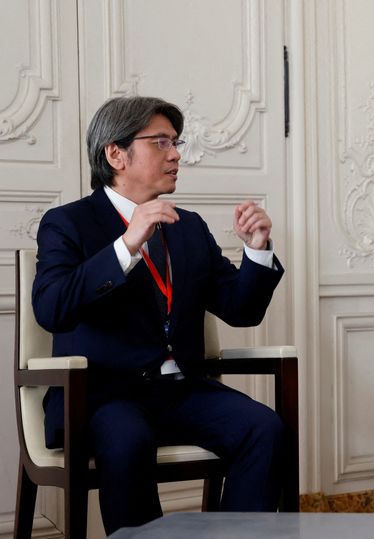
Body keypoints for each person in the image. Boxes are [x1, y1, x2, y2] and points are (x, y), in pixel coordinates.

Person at [32, 96, 286, 534]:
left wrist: (256, 250)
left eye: (176, 142)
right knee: (128, 439)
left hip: (180, 391)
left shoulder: (188, 226)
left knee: (263, 428)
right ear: (116, 154)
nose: (175, 154)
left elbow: (241, 311)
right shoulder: (68, 223)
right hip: (100, 396)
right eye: (161, 142)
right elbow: (52, 307)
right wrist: (127, 245)